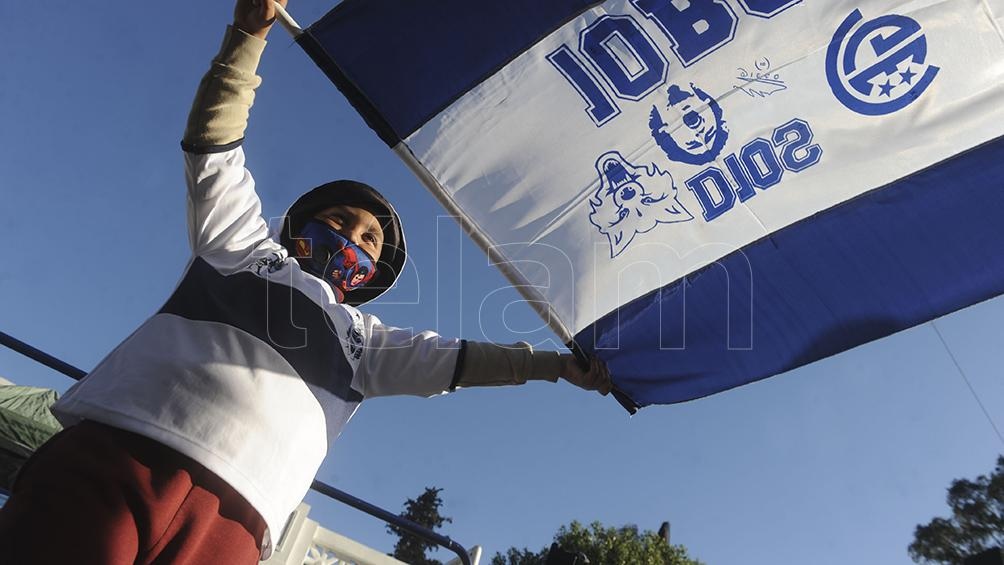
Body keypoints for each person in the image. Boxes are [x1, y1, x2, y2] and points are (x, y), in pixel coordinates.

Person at [0, 1, 611, 563]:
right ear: (299, 228)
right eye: (340, 221)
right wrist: (249, 36)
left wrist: (558, 367)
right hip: (115, 456)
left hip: (236, 524)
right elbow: (214, 148)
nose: (352, 238)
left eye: (370, 240)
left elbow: (459, 361)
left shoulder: (366, 344)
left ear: (373, 276)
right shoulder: (239, 245)